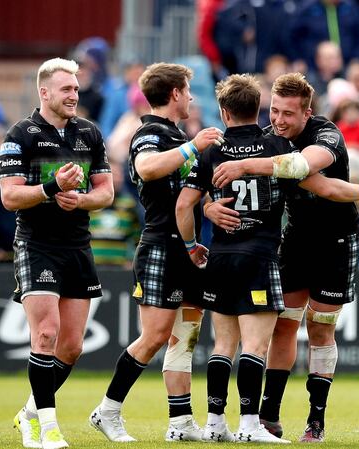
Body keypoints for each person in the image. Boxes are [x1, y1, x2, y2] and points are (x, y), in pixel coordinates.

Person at [179, 73, 359, 444]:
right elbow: (217, 187)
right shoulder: (269, 140)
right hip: (294, 241)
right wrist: (210, 208)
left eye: (288, 114)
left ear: (307, 113)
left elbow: (303, 169)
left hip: (336, 241)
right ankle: (268, 416)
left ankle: (315, 420)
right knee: (283, 326)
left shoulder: (326, 135)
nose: (278, 120)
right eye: (273, 111)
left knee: (321, 328)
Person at [88, 62, 223, 443]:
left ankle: (181, 422)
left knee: (186, 335)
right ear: (175, 93)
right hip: (161, 244)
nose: (192, 98)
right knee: (155, 335)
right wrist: (193, 146)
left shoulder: (176, 134)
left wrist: (210, 207)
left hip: (188, 247)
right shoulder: (148, 133)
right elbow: (147, 169)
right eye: (188, 91)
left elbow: (188, 192)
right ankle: (107, 410)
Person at [0, 57, 114, 449]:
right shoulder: (21, 134)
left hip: (77, 245)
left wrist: (79, 200)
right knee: (46, 333)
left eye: (76, 89)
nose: (74, 95)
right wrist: (52, 189)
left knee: (72, 346)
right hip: (37, 244)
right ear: (44, 92)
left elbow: (106, 193)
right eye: (66, 89)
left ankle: (29, 412)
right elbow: (10, 196)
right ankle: (48, 428)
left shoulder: (89, 133)